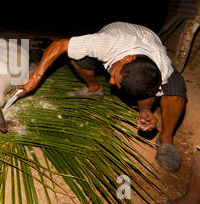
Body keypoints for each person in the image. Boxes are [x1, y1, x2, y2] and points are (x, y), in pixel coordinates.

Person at [18, 22, 187, 172]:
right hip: (119, 36)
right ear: (128, 59)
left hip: (150, 45)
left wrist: (144, 111)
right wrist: (36, 76)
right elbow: (60, 44)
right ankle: (93, 89)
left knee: (176, 91)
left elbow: (146, 92)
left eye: (113, 79)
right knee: (78, 57)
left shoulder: (161, 69)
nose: (111, 81)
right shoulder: (106, 43)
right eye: (114, 75)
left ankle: (166, 138)